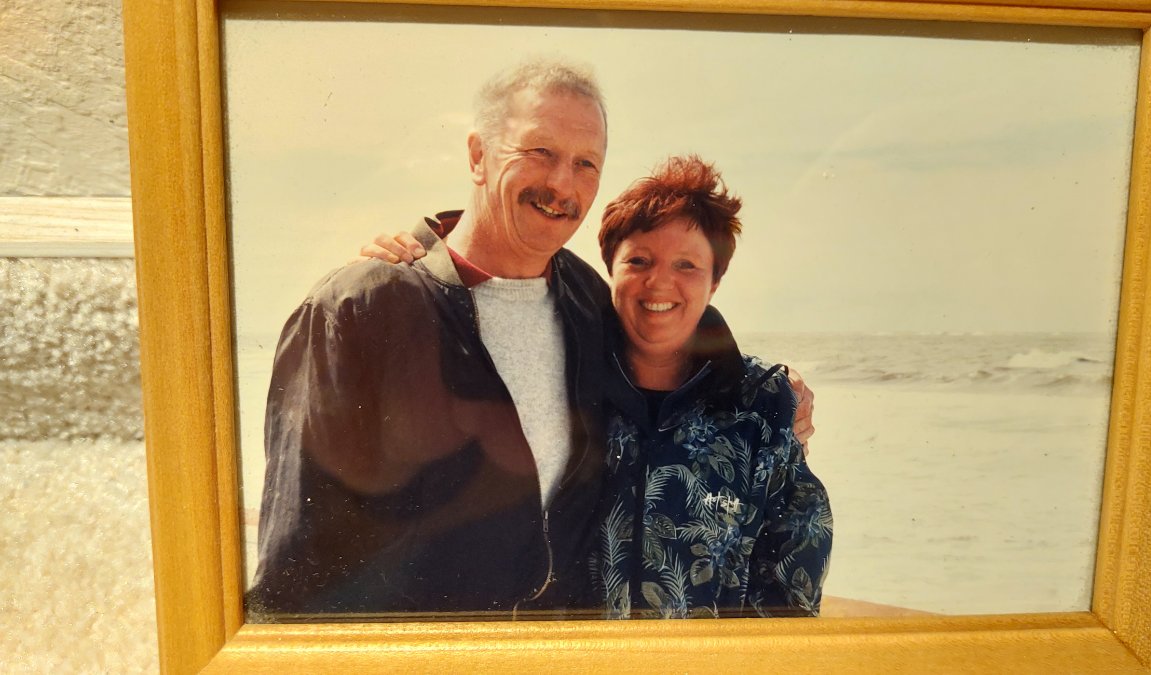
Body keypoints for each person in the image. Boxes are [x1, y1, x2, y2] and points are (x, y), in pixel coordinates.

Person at [252, 57, 815, 618]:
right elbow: (295, 570)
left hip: (553, 648)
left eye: (586, 163)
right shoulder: (358, 309)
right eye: (540, 151)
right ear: (478, 156)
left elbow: (665, 326)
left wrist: (767, 388)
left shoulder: (586, 300)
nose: (562, 183)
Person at [589, 156, 831, 619]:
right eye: (639, 260)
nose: (660, 281)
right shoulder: (566, 378)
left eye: (687, 265)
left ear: (715, 282)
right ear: (610, 270)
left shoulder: (762, 404)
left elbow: (793, 573)